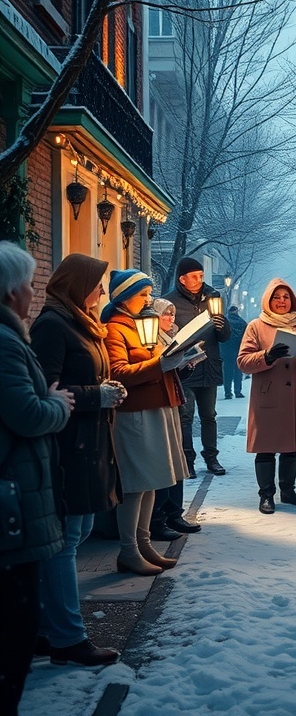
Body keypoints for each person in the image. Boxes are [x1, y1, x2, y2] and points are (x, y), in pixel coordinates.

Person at [30, 254, 123, 667]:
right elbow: (46, 389)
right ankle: (67, 636)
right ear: (77, 285)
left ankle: (46, 625)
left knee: (77, 532)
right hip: (70, 446)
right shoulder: (53, 324)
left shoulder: (80, 323)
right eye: (97, 284)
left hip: (88, 442)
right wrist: (93, 396)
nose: (102, 292)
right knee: (65, 542)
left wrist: (103, 389)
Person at [0, 242, 74, 715]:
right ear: (11, 292)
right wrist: (57, 404)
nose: (33, 291)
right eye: (29, 283)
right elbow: (25, 413)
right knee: (14, 620)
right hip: (14, 496)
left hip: (20, 492)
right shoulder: (6, 341)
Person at [103, 270, 192, 576]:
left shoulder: (141, 322)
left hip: (156, 406)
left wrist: (177, 358)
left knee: (152, 480)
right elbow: (119, 372)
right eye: (142, 295)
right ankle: (129, 550)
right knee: (136, 483)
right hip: (135, 413)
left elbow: (153, 359)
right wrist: (161, 363)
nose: (148, 300)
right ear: (124, 296)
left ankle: (144, 544)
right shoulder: (115, 328)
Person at [237, 278, 296, 514]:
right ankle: (266, 495)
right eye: (277, 297)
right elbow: (243, 362)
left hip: (294, 395)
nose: (281, 301)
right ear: (268, 300)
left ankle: (288, 490)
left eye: (286, 297)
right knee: (266, 448)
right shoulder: (255, 326)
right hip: (269, 397)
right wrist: (268, 356)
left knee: (291, 447)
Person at [165, 258, 231, 476]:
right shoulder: (170, 302)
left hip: (209, 366)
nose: (200, 279)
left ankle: (212, 458)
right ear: (182, 279)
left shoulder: (213, 298)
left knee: (209, 415)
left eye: (201, 275)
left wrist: (222, 326)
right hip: (185, 368)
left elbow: (225, 336)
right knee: (185, 415)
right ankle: (187, 460)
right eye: (195, 276)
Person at [149, 297, 202, 541]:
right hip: (160, 402)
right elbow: (155, 368)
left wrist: (187, 365)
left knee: (176, 458)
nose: (170, 319)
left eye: (172, 314)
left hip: (174, 400)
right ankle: (160, 516)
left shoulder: (171, 337)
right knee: (165, 460)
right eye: (165, 315)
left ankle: (174, 512)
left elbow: (173, 371)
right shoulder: (151, 337)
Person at [221, 305, 248, 399]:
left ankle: (228, 392)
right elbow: (247, 337)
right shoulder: (242, 322)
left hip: (226, 352)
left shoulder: (224, 321)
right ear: (237, 311)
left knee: (227, 373)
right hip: (238, 350)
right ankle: (238, 391)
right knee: (238, 372)